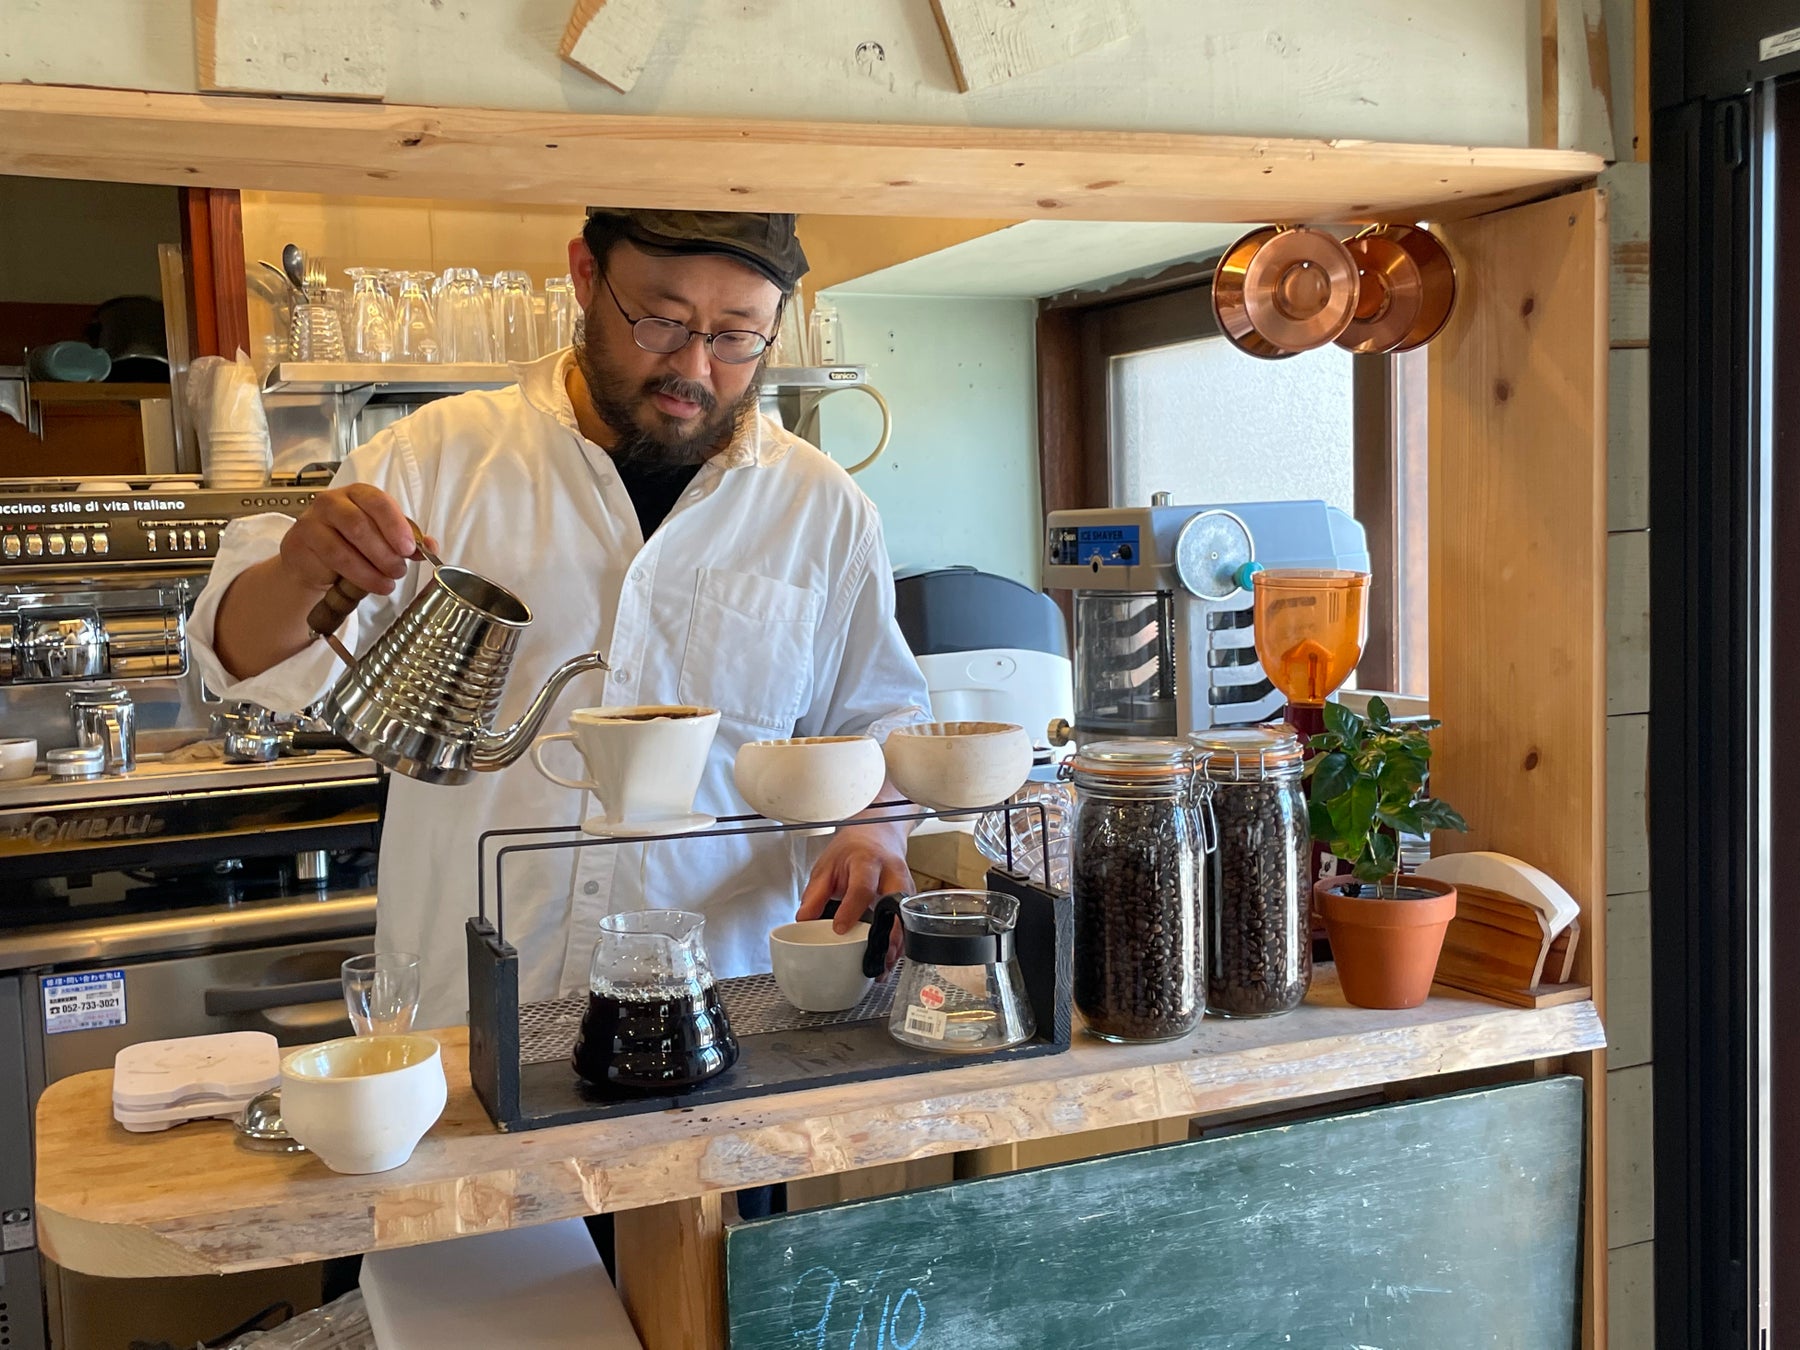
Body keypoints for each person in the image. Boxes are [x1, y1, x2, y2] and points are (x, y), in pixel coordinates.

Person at [189, 210, 931, 1031]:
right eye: (662, 322)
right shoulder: (434, 460)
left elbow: (877, 719)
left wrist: (875, 829)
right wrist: (299, 571)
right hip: (474, 1009)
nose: (693, 367)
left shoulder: (822, 509)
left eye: (735, 337)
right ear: (585, 275)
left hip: (726, 1005)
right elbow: (243, 663)